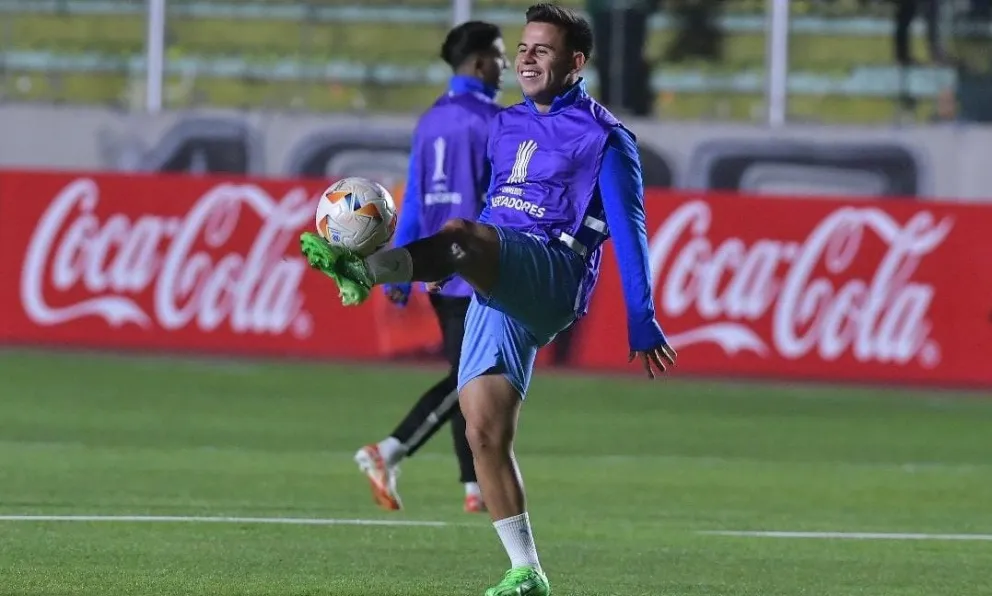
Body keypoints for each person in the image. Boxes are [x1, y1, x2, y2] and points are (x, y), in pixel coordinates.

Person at [301, 4, 676, 594]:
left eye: (542, 49)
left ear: (576, 62)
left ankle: (364, 269)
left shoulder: (605, 137)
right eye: (523, 48)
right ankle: (527, 571)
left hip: (554, 269)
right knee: (482, 433)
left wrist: (642, 316)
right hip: (500, 282)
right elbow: (498, 205)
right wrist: (449, 266)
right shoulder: (506, 125)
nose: (526, 57)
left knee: (459, 237)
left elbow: (630, 231)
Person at [352, 20, 507, 514]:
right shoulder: (492, 121)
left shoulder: (431, 120)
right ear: (481, 62)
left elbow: (415, 199)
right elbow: (503, 200)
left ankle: (474, 486)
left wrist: (401, 267)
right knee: (473, 379)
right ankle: (389, 450)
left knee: (467, 374)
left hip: (434, 264)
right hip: (475, 266)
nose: (506, 65)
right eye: (501, 56)